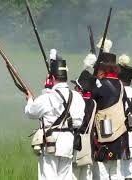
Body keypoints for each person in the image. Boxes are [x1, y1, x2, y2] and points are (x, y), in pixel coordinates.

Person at [25, 50, 85, 180]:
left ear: (51, 78)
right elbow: (78, 122)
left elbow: (31, 112)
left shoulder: (47, 97)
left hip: (51, 142)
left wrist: (30, 99)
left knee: (48, 176)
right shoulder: (77, 97)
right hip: (69, 142)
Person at [92, 52, 127, 180]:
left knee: (101, 170)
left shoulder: (98, 84)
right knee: (116, 170)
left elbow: (91, 102)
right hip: (119, 132)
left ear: (103, 68)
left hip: (102, 132)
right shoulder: (121, 85)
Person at [71, 70, 98, 180]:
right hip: (89, 145)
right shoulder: (93, 103)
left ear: (79, 88)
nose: (74, 88)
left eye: (76, 86)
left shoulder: (76, 101)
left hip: (76, 143)